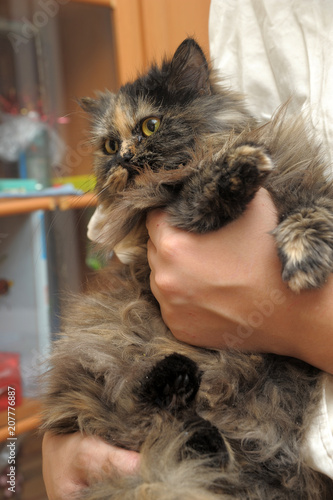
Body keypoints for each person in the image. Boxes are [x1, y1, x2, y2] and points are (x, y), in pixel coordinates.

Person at [43, 0, 333, 496]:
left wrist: (296, 318)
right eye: (110, 145)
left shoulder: (256, 149)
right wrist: (56, 445)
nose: (127, 150)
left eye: (148, 127)